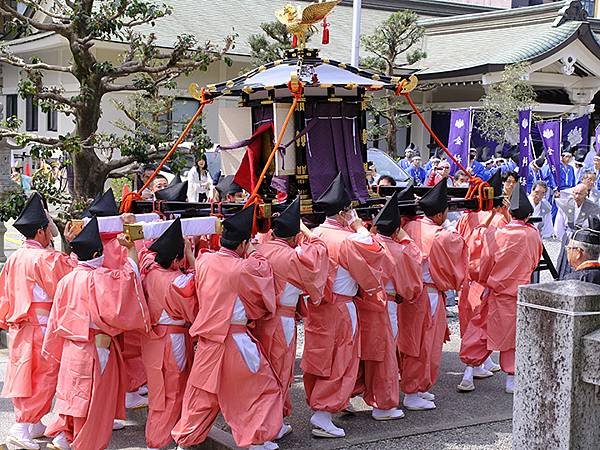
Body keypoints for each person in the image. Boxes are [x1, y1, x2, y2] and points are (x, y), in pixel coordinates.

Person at [171, 205, 284, 450]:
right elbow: (263, 271)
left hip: (209, 341)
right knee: (260, 388)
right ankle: (254, 439)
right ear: (242, 244)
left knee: (201, 397)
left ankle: (184, 443)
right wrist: (254, 249)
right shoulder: (243, 268)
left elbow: (199, 266)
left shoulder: (206, 261)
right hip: (236, 340)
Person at [43, 217, 151, 450]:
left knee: (72, 395)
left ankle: (64, 436)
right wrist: (131, 248)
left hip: (72, 348)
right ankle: (84, 443)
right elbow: (129, 279)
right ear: (95, 255)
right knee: (94, 400)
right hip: (96, 347)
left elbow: (54, 321)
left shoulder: (67, 279)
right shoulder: (98, 278)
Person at [303, 173, 383, 437]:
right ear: (343, 212)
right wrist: (359, 226)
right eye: (349, 209)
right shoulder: (347, 239)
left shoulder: (314, 234)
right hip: (341, 306)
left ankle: (324, 406)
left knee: (320, 355)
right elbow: (376, 250)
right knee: (341, 358)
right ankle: (323, 412)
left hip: (319, 304)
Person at [0, 193, 77, 449]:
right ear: (42, 231)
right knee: (44, 376)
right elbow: (68, 280)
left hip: (19, 324)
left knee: (23, 374)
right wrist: (72, 244)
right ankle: (22, 427)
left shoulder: (15, 258)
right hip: (42, 325)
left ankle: (30, 423)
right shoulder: (45, 258)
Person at [459, 186, 543, 394]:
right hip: (518, 293)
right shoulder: (533, 235)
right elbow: (534, 262)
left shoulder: (496, 234)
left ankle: (469, 371)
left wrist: (485, 281)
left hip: (495, 291)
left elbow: (485, 263)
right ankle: (511, 379)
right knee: (514, 336)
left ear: (510, 213)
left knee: (480, 329)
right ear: (528, 215)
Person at [254, 198, 328, 429]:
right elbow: (318, 255)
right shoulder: (292, 257)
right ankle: (271, 424)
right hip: (281, 320)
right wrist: (308, 233)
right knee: (280, 370)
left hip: (260, 319)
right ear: (295, 237)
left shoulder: (259, 250)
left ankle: (269, 421)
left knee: (264, 370)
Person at [353, 193, 422, 421]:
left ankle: (357, 393)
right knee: (385, 356)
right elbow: (412, 285)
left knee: (365, 352)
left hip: (363, 303)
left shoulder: (368, 244)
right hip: (387, 304)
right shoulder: (398, 250)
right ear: (395, 230)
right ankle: (383, 404)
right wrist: (405, 238)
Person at [400, 181, 467, 410]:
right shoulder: (441, 236)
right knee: (425, 344)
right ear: (439, 214)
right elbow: (458, 250)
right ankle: (413, 390)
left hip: (412, 292)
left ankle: (418, 386)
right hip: (428, 294)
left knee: (413, 341)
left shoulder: (410, 227)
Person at [139, 218, 199, 450]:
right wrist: (191, 256)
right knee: (174, 390)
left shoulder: (150, 270)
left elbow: (146, 255)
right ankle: (161, 440)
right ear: (175, 259)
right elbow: (198, 287)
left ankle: (156, 437)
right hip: (173, 339)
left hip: (153, 338)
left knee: (158, 391)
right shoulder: (178, 281)